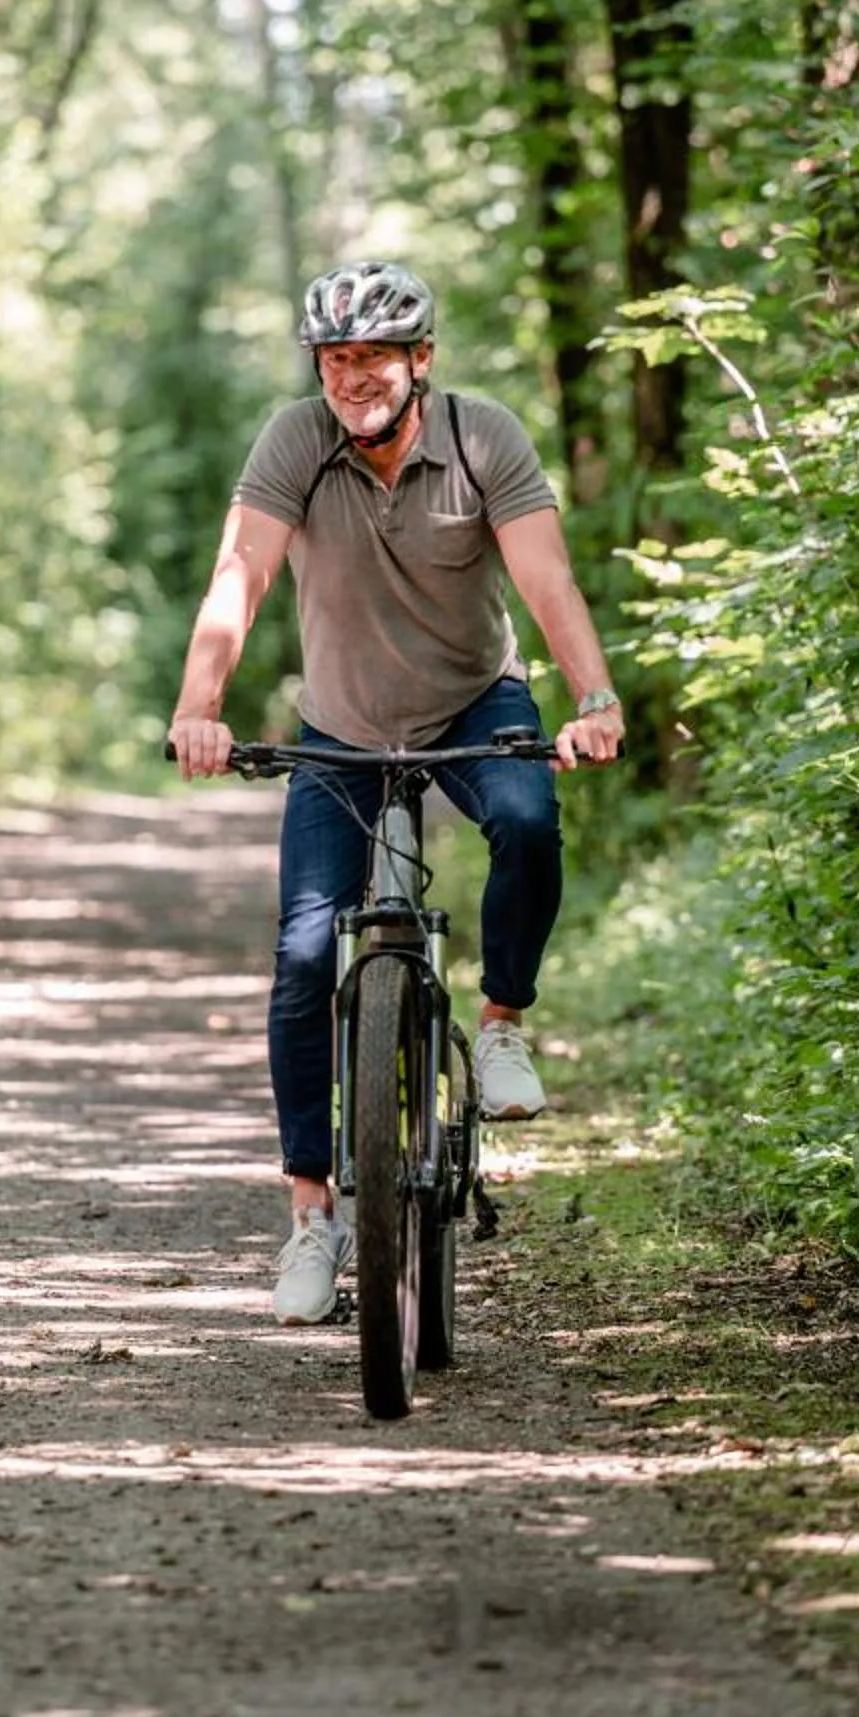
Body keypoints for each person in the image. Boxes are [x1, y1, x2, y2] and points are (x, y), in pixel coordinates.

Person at [166, 262, 625, 1326]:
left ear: (420, 360)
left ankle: (503, 1021)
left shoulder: (482, 437)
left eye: (374, 355)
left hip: (475, 704)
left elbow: (546, 579)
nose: (353, 376)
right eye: (336, 359)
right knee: (297, 957)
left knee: (525, 821)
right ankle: (313, 1217)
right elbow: (241, 575)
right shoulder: (296, 440)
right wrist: (201, 703)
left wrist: (593, 697)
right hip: (343, 726)